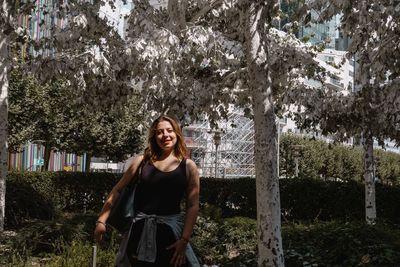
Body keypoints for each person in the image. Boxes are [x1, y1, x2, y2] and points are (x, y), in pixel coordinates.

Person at [94, 115, 200, 267]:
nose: (165, 135)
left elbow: (192, 205)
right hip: (138, 233)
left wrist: (184, 240)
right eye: (160, 132)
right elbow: (117, 190)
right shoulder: (142, 161)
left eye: (169, 130)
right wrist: (101, 220)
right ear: (154, 136)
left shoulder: (189, 166)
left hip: (172, 237)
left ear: (177, 133)